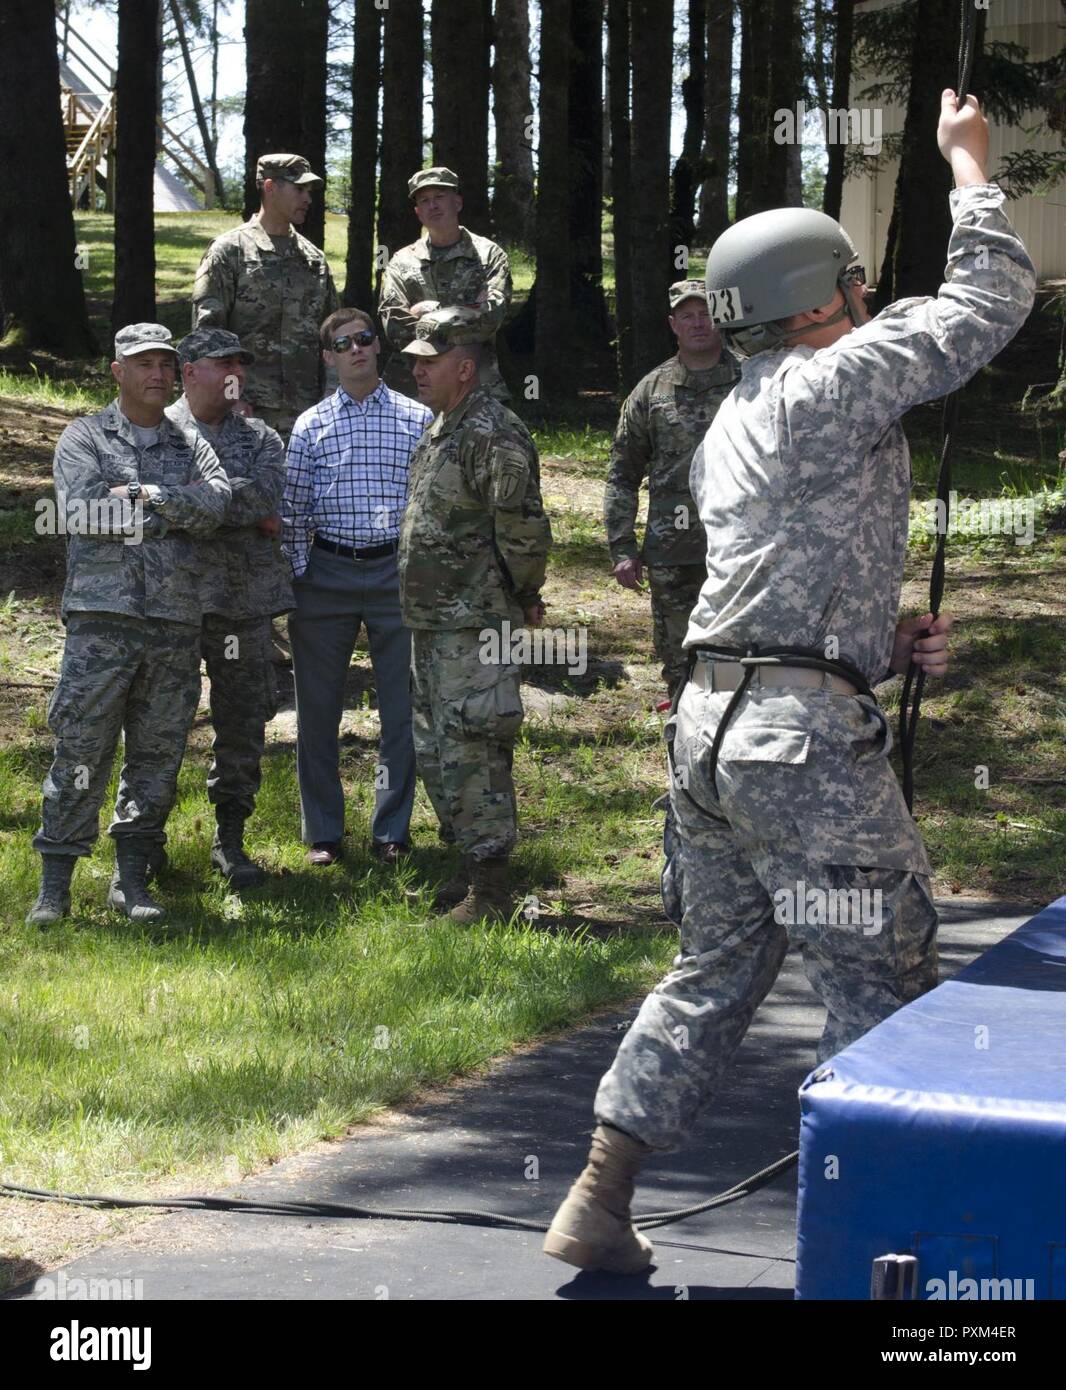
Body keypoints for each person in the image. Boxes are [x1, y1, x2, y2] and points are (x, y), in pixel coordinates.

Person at [544, 91, 1036, 1273]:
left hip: (714, 723)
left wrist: (870, 647)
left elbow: (791, 563)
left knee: (718, 964)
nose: (866, 298)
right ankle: (878, 1248)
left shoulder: (735, 415)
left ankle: (601, 1196)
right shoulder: (833, 380)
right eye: (854, 284)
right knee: (885, 965)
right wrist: (971, 169)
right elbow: (988, 301)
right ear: (824, 297)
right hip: (794, 737)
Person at [27, 324, 231, 926]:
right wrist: (173, 507)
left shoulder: (189, 441)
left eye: (167, 364)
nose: (158, 374)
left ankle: (133, 880)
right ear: (118, 371)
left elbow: (218, 502)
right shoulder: (84, 436)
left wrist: (147, 496)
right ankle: (55, 885)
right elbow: (86, 510)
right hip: (101, 623)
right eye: (144, 363)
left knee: (157, 755)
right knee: (81, 750)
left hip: (172, 625)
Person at [398, 306, 551, 923]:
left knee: (474, 745)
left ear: (464, 368)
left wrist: (521, 593)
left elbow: (522, 529)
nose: (416, 371)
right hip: (431, 621)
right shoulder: (442, 428)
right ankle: (467, 865)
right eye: (412, 361)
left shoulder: (492, 430)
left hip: (475, 621)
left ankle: (491, 890)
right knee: (436, 747)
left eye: (428, 362)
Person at [282, 308, 432, 867]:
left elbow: (429, 501)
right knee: (317, 710)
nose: (356, 350)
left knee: (401, 711)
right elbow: (293, 510)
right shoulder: (310, 425)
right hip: (326, 575)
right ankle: (323, 831)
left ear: (378, 347)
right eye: (343, 344)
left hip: (396, 573)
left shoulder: (417, 419)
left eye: (365, 340)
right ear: (328, 357)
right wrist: (301, 576)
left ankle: (391, 829)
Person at [164, 327, 293, 889]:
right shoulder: (155, 432)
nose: (235, 371)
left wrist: (195, 498)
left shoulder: (262, 437)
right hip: (172, 604)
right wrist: (224, 503)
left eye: (240, 361)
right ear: (190, 371)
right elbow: (152, 498)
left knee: (243, 726)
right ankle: (144, 847)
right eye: (223, 362)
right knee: (160, 727)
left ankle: (231, 842)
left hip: (245, 604)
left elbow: (268, 497)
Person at [604, 281, 740, 699]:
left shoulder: (750, 377)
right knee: (680, 658)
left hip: (743, 545)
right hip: (673, 549)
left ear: (720, 320)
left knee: (740, 651)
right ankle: (683, 737)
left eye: (705, 314)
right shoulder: (651, 390)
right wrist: (622, 547)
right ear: (672, 324)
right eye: (687, 316)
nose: (698, 323)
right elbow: (623, 472)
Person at [191, 153, 339, 438]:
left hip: (306, 419)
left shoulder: (313, 259)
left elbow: (331, 337)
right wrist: (231, 397)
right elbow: (208, 336)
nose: (307, 198)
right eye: (299, 189)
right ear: (270, 187)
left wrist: (331, 400)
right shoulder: (229, 252)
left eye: (309, 191)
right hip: (243, 416)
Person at [379, 167, 512, 403]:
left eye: (440, 197)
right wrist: (466, 312)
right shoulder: (401, 261)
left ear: (458, 202)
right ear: (418, 212)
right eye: (425, 200)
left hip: (475, 381)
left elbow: (492, 316)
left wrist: (424, 314)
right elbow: (394, 325)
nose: (433, 206)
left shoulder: (489, 255)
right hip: (413, 386)